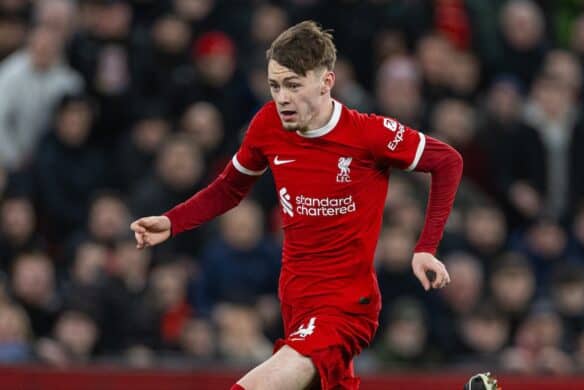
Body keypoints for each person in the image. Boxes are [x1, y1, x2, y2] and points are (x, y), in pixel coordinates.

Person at [131, 21, 463, 390]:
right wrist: (172, 221)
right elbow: (229, 189)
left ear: (326, 82)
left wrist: (426, 248)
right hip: (295, 301)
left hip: (345, 308)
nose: (282, 98)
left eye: (293, 84)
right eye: (274, 85)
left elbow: (447, 161)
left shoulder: (367, 134)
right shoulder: (268, 125)